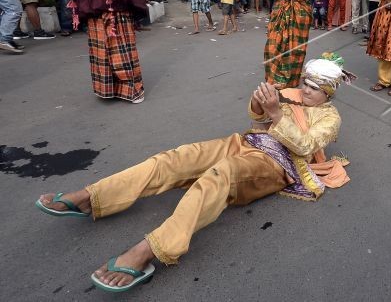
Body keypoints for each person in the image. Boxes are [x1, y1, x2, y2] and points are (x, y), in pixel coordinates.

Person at [35, 54, 353, 293]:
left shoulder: (330, 118)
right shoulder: (291, 93)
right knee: (176, 158)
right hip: (246, 141)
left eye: (314, 88)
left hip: (277, 165)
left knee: (220, 175)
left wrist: (274, 114)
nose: (305, 90)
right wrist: (259, 103)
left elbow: (305, 145)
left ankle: (150, 250)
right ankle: (93, 197)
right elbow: (256, 120)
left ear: (329, 92)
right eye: (305, 83)